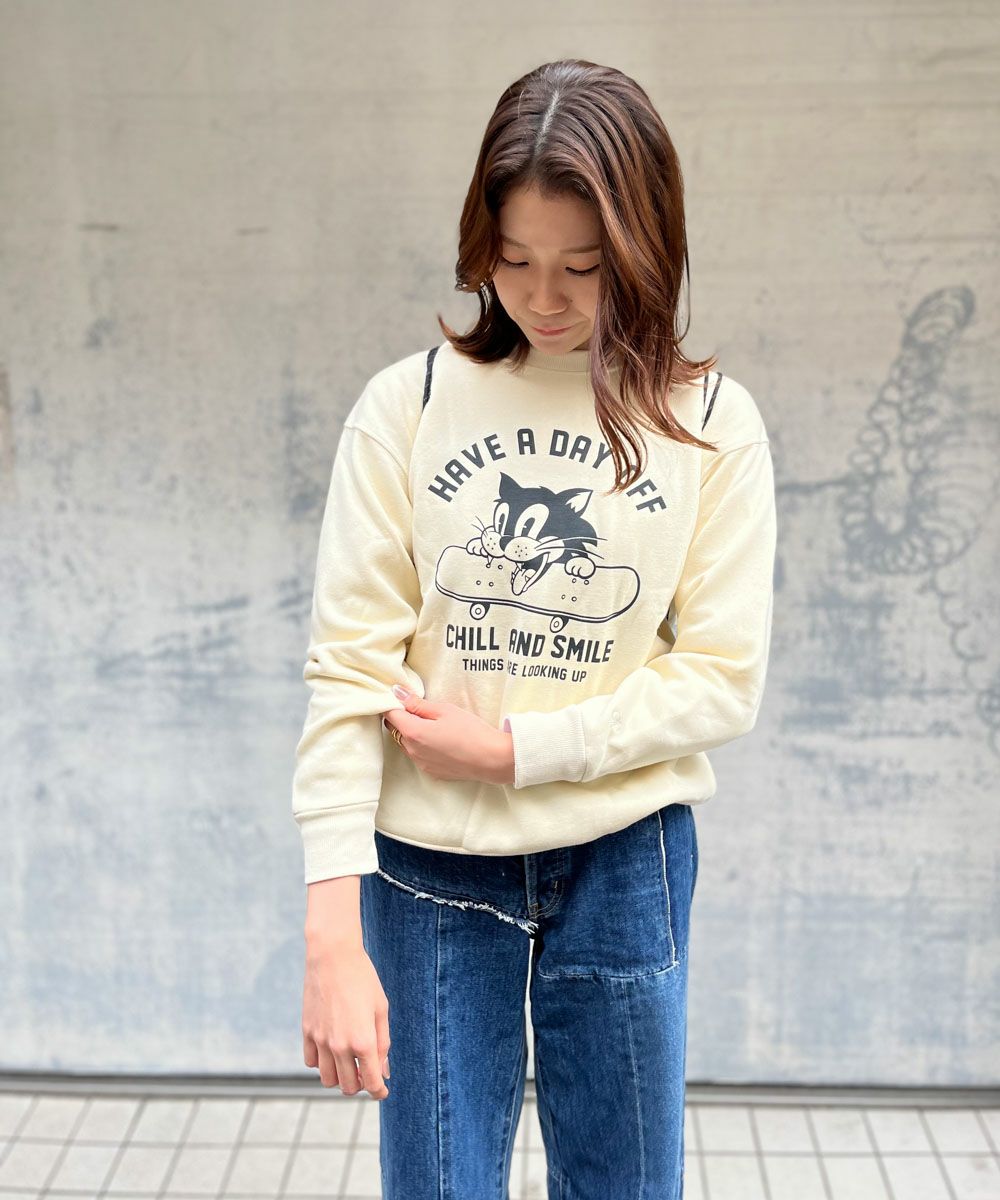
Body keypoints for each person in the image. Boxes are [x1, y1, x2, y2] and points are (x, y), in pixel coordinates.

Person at [293, 58, 777, 1200]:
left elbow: (721, 679)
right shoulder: (407, 406)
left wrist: (515, 751)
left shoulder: (709, 423)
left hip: (623, 853)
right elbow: (347, 672)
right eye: (512, 260)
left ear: (646, 249)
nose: (542, 297)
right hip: (426, 865)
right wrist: (329, 933)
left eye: (583, 267)